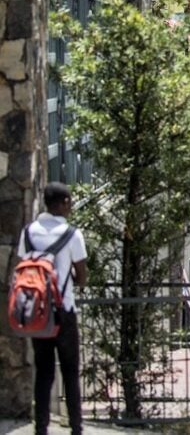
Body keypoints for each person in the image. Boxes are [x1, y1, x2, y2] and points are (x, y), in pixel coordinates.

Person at [17, 183, 88, 435]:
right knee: (70, 372)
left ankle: (41, 428)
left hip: (38, 313)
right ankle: (76, 428)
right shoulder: (72, 235)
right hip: (64, 311)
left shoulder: (28, 232)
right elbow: (82, 277)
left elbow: (23, 264)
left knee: (43, 372)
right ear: (64, 202)